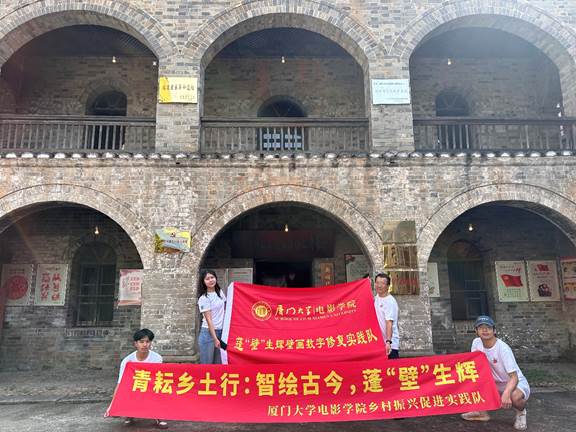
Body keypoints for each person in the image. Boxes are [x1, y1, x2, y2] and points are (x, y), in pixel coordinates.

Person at [461, 315, 529, 430]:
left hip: (514, 382)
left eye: (488, 327)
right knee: (469, 380)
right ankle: (481, 412)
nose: (485, 330)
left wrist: (506, 393)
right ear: (476, 331)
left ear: (494, 331)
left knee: (515, 397)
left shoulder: (503, 349)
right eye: (481, 327)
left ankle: (521, 413)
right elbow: (475, 366)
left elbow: (514, 377)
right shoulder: (476, 343)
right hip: (493, 382)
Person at [105, 328, 168, 429]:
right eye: (141, 342)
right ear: (136, 344)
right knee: (126, 389)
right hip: (134, 386)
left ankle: (158, 416)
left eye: (147, 342)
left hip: (150, 386)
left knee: (160, 387)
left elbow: (157, 378)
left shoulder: (157, 358)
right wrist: (112, 406)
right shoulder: (127, 361)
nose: (145, 345)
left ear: (151, 343)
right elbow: (120, 383)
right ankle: (129, 414)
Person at [197, 269, 226, 364]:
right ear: (203, 282)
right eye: (207, 279)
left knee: (218, 363)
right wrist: (215, 339)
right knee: (207, 364)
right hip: (208, 334)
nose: (210, 280)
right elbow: (209, 320)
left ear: (216, 278)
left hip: (221, 332)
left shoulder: (220, 292)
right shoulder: (204, 298)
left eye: (212, 277)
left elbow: (225, 309)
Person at [373, 273, 400, 359]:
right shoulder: (377, 297)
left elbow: (389, 323)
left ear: (388, 286)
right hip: (379, 344)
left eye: (382, 283)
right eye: (377, 283)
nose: (379, 286)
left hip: (390, 345)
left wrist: (388, 342)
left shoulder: (390, 302)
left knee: (392, 367)